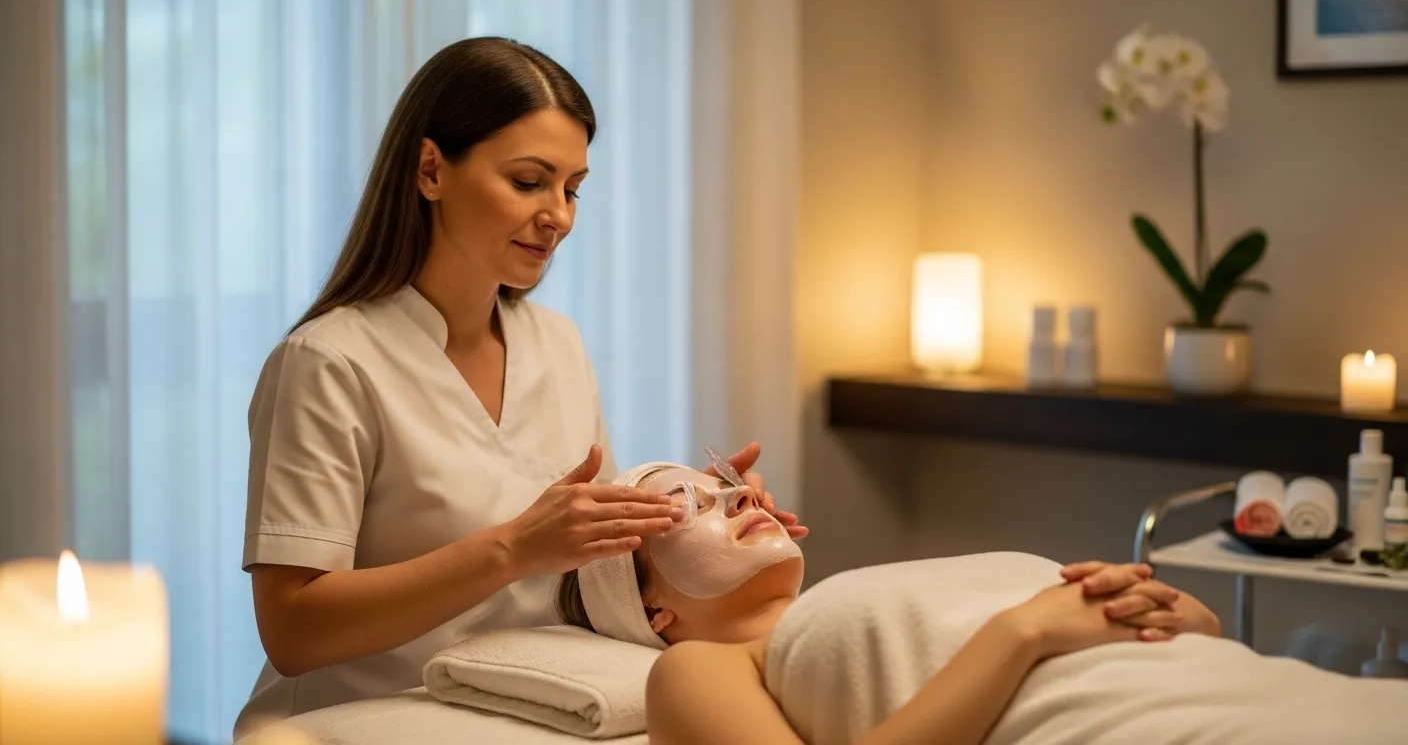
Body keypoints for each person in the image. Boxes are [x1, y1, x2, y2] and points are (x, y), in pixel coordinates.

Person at [235, 37, 805, 739]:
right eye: (530, 181)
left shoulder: (556, 344)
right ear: (431, 170)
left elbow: (584, 570)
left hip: (532, 709)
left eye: (572, 189)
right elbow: (293, 630)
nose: (559, 215)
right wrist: (510, 550)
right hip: (358, 718)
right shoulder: (329, 364)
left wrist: (712, 514)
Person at [557, 463, 1408, 745]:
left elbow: (1173, 641)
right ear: (653, 611)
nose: (739, 498)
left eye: (725, 484)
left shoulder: (880, 588)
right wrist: (1026, 630)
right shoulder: (700, 669)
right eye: (691, 505)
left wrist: (1183, 614)